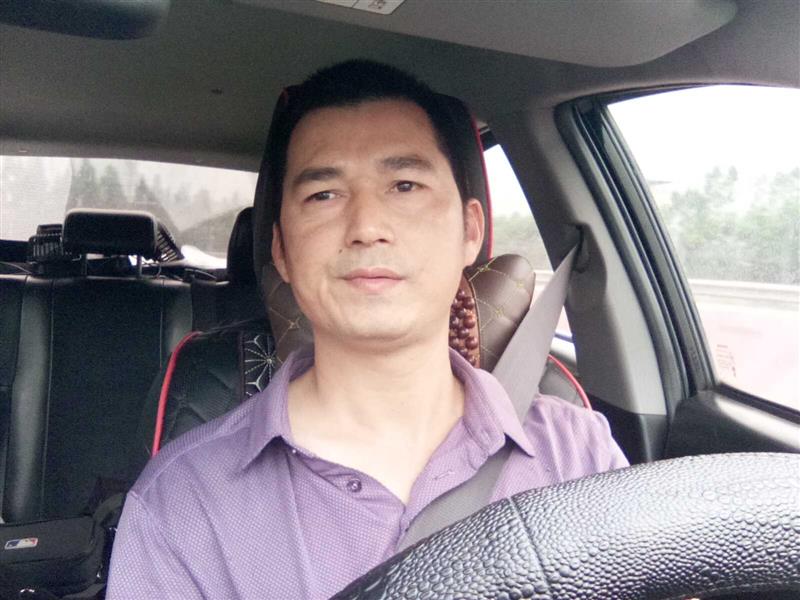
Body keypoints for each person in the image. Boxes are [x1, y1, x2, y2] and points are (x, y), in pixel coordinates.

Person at [107, 60, 628, 600]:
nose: (367, 227)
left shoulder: (578, 455)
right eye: (324, 195)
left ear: (469, 231)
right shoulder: (182, 505)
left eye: (404, 185)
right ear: (282, 251)